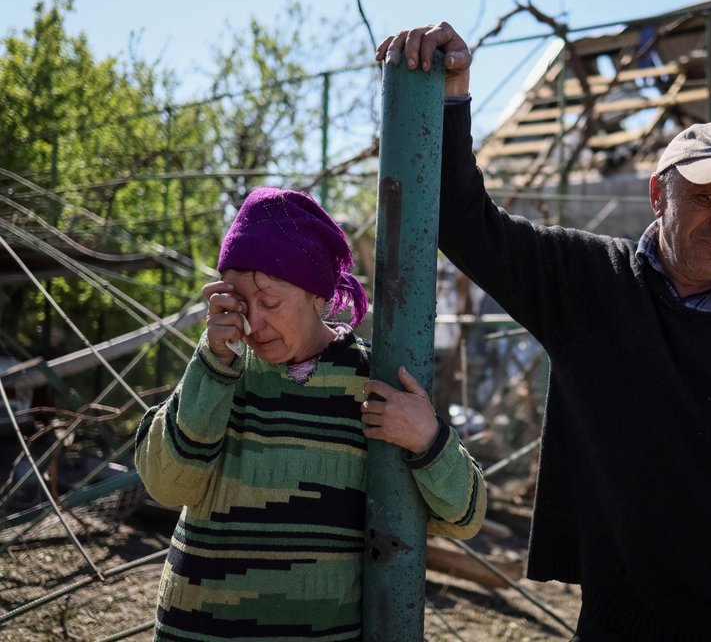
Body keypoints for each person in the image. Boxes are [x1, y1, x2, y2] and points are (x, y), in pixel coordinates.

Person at [376, 23, 711, 641]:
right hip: (629, 622)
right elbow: (462, 222)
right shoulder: (590, 284)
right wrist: (453, 95)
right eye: (707, 197)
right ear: (657, 196)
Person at [135, 186, 486, 641]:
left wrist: (427, 440)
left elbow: (465, 518)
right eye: (241, 302)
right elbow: (166, 485)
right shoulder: (221, 367)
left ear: (318, 296)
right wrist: (212, 365)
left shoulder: (369, 379)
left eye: (271, 302)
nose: (253, 323)